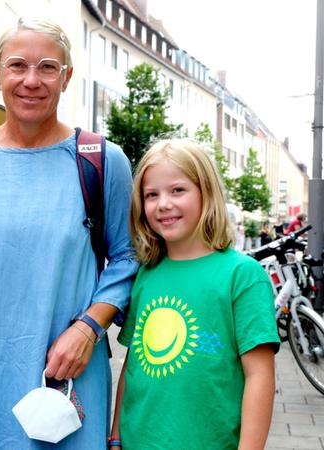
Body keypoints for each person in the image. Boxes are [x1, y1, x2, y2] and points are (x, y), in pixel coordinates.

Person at [0, 18, 138, 450]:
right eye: (17, 66)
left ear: (66, 78)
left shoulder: (101, 160)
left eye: (47, 67)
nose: (31, 80)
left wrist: (88, 328)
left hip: (70, 373)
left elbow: (127, 256)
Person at [109, 139, 280, 449]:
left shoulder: (242, 275)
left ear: (206, 192)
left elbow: (259, 376)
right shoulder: (147, 274)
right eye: (151, 195)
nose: (163, 204)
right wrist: (116, 435)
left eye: (177, 190)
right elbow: (132, 362)